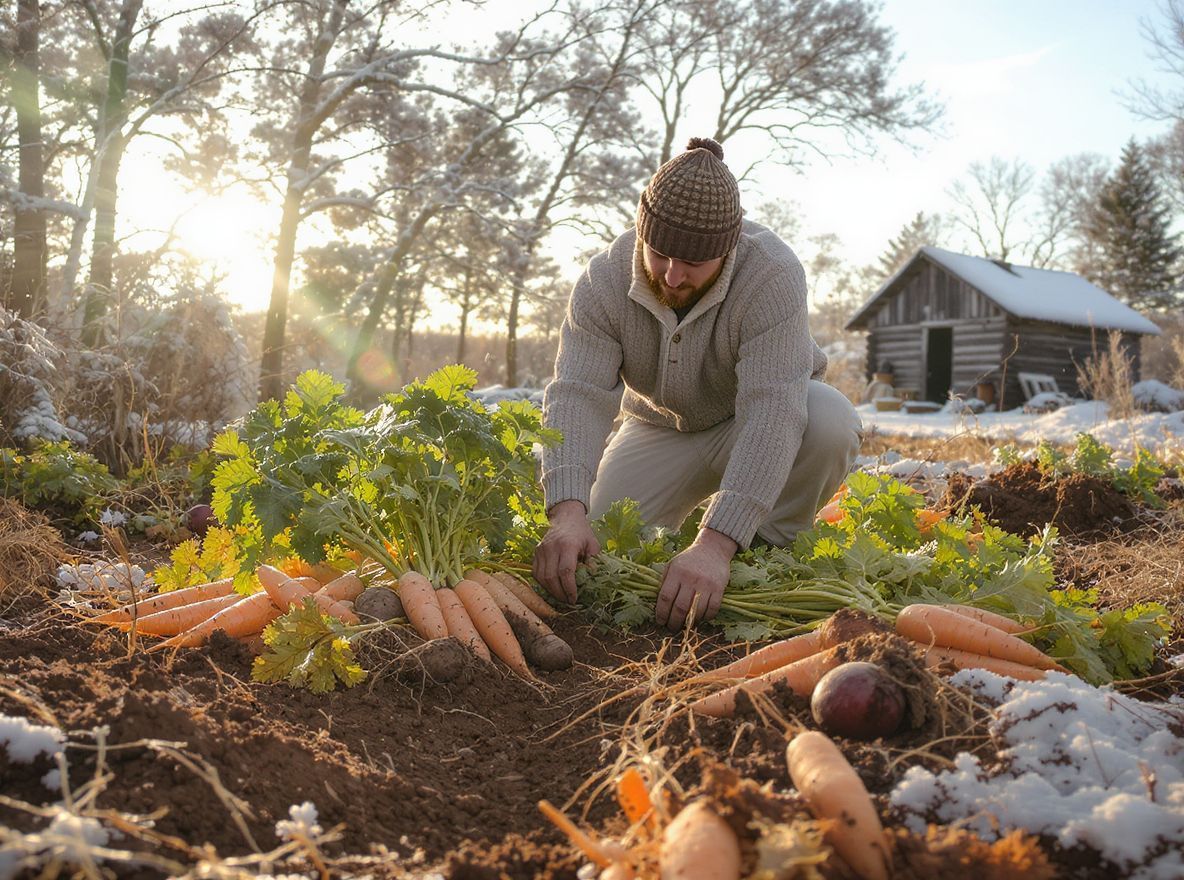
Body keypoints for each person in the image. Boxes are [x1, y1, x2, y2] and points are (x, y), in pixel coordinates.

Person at [532, 137, 862, 630]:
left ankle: (764, 549)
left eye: (693, 263)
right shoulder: (602, 280)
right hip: (658, 428)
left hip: (750, 426)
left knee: (830, 419)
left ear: (726, 251)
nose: (672, 274)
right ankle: (688, 533)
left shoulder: (771, 274)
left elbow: (773, 410)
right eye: (660, 253)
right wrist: (567, 511)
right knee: (599, 560)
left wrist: (717, 545)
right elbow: (577, 394)